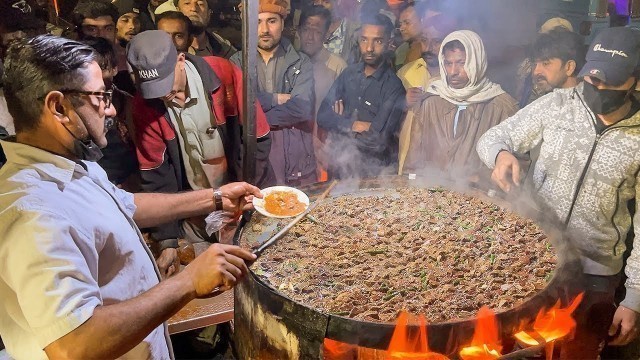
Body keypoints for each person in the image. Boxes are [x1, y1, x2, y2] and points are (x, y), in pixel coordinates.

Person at [0, 34, 260, 359]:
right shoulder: (34, 211)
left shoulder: (71, 162)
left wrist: (216, 197)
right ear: (58, 107)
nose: (110, 109)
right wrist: (189, 281)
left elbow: (128, 206)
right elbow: (73, 345)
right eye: (99, 96)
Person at [476, 27, 640, 358]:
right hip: (535, 260)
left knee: (578, 351)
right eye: (592, 80)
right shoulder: (559, 104)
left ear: (635, 80)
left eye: (610, 82)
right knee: (522, 349)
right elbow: (494, 137)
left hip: (596, 275)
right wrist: (502, 155)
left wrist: (634, 297)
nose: (598, 89)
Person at [128, 30, 274, 264]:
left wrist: (243, 195)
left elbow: (258, 139)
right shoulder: (144, 106)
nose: (165, 96)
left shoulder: (223, 74)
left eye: (168, 85)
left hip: (246, 195)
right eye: (154, 90)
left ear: (181, 60)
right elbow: (155, 174)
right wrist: (167, 241)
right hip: (195, 208)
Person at [403, 30, 518, 186]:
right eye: (448, 63)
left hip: (479, 199)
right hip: (430, 195)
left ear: (477, 62)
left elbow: (516, 166)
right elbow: (413, 161)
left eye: (461, 63)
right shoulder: (431, 101)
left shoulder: (503, 107)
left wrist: (481, 180)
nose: (453, 72)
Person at [231, 0, 317, 186]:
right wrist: (275, 98)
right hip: (254, 156)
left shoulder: (301, 63)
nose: (264, 30)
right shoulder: (236, 63)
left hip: (295, 159)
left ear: (283, 23)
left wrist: (255, 116)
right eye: (257, 22)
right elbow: (238, 108)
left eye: (271, 21)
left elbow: (301, 108)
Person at [317, 13, 406, 178]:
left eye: (377, 41)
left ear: (389, 43)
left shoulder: (394, 87)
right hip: (340, 170)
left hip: (374, 175)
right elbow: (322, 115)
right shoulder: (348, 73)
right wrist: (353, 124)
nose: (369, 48)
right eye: (364, 39)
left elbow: (377, 141)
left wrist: (339, 126)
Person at [397, 13, 456, 174]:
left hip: (440, 169)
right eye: (424, 40)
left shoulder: (456, 78)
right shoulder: (405, 73)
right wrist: (403, 102)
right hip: (405, 162)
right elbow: (390, 117)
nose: (428, 48)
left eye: (436, 42)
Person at [298, 5, 347, 182]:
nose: (310, 37)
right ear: (298, 30)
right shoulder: (290, 63)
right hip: (296, 146)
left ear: (327, 34)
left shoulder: (337, 67)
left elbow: (341, 114)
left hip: (325, 149)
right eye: (306, 29)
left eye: (317, 31)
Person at [516, 17, 575, 107]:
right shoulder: (528, 66)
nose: (537, 71)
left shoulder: (576, 74)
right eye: (551, 38)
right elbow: (519, 96)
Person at [394, 2, 422, 70]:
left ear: (422, 21)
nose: (401, 28)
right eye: (400, 24)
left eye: (407, 23)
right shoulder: (401, 50)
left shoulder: (431, 50)